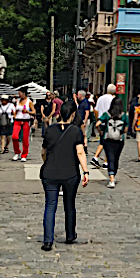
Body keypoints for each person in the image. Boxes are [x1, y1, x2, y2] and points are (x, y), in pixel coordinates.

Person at [40, 99, 90, 251]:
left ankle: (48, 240)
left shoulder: (50, 130)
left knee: (50, 205)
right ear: (73, 114)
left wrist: (48, 161)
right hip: (70, 173)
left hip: (50, 173)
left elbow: (43, 152)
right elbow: (80, 151)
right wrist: (85, 171)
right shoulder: (76, 131)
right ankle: (70, 234)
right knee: (69, 204)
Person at [96, 97, 128, 189]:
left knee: (110, 158)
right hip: (119, 140)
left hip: (108, 139)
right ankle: (113, 175)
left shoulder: (107, 114)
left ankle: (111, 178)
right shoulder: (124, 115)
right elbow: (125, 129)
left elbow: (97, 124)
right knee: (116, 158)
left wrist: (101, 132)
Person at [90, 83, 117, 168]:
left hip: (101, 122)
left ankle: (102, 160)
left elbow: (96, 110)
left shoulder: (101, 98)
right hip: (110, 123)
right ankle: (101, 159)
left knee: (103, 141)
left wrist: (98, 119)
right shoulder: (113, 99)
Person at [11, 89, 36, 162]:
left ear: (24, 93)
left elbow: (34, 111)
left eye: (20, 93)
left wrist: (28, 112)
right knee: (14, 136)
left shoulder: (29, 102)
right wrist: (14, 115)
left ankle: (24, 155)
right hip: (17, 120)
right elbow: (16, 110)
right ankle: (17, 152)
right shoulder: (18, 101)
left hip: (25, 121)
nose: (19, 95)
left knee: (25, 139)